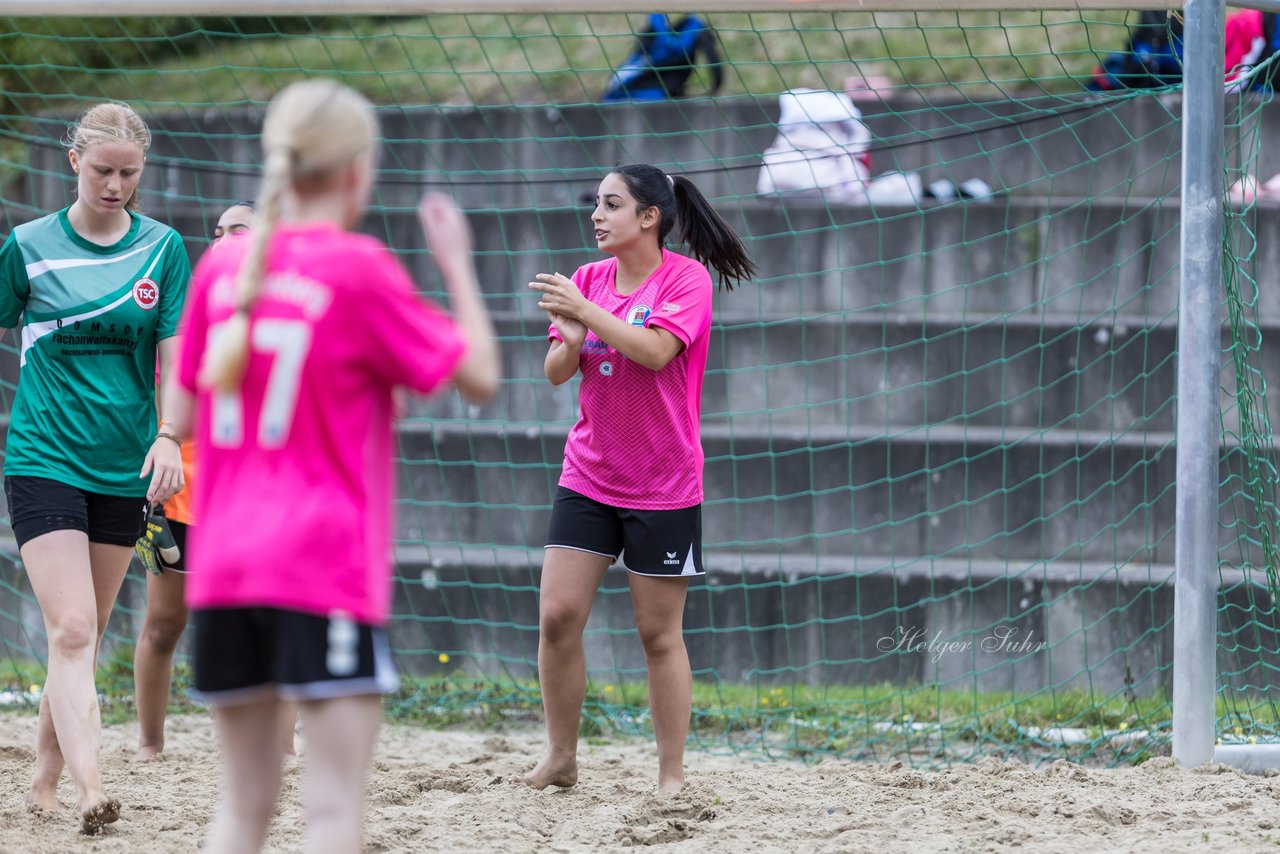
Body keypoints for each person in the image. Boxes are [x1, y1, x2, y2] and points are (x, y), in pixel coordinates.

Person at [162, 79, 499, 854]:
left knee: (241, 812)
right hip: (320, 564)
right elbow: (479, 376)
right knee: (331, 813)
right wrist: (456, 265)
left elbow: (181, 413)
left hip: (224, 564)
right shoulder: (360, 268)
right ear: (356, 171)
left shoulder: (222, 269)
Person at [522, 163, 754, 794]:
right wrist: (568, 338)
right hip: (589, 474)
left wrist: (586, 316)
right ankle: (561, 755)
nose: (597, 215)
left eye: (611, 204)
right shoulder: (588, 280)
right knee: (558, 617)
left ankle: (671, 776)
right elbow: (554, 370)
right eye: (595, 203)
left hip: (663, 483)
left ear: (649, 218)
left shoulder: (687, 279)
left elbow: (653, 352)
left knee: (658, 634)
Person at [0, 101, 188, 832]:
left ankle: (44, 778)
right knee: (73, 627)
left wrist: (171, 434)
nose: (115, 185)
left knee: (84, 632)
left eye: (129, 173)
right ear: (72, 161)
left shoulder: (163, 248)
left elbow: (177, 355)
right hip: (44, 456)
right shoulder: (27, 245)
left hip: (124, 464)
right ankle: (90, 790)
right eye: (103, 170)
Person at [132, 200, 295, 762]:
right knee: (164, 622)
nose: (223, 239)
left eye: (240, 230)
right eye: (218, 231)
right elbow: (167, 410)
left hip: (260, 500)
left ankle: (279, 750)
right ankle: (151, 745)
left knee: (274, 621)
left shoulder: (286, 317)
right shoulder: (186, 316)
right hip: (183, 497)